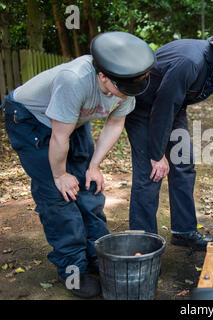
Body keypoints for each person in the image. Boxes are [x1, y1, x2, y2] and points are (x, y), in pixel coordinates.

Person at [1, 31, 156, 298]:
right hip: (30, 119)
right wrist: (60, 175)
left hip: (71, 119)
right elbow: (60, 136)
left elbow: (116, 123)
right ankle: (73, 270)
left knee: (89, 187)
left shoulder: (128, 79)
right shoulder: (74, 80)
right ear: (103, 76)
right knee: (58, 196)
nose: (125, 96)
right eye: (122, 90)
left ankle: (98, 253)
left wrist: (94, 165)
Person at [125, 30, 213, 250]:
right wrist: (156, 154)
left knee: (183, 164)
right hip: (144, 109)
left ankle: (183, 231)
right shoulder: (189, 62)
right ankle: (142, 244)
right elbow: (163, 108)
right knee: (151, 173)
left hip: (172, 108)